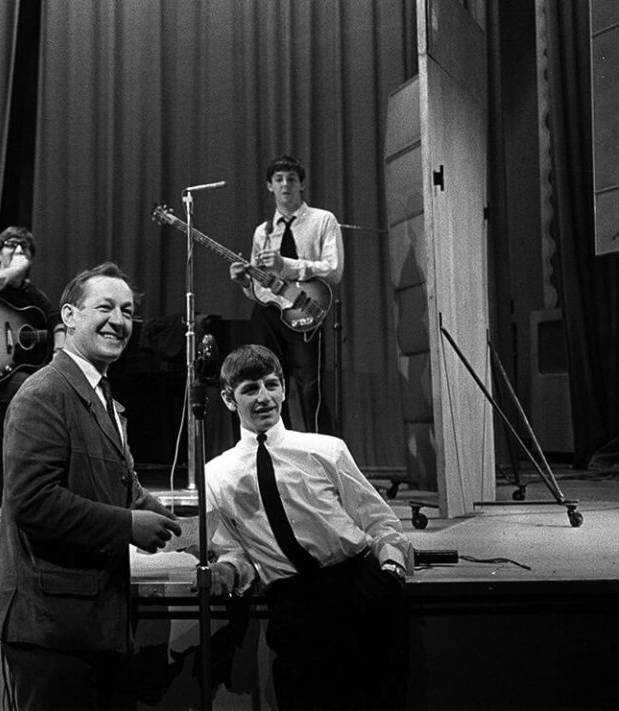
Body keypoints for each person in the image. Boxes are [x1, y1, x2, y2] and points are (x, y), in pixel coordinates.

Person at [0, 262, 182, 710]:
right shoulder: (44, 393)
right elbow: (34, 503)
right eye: (106, 307)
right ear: (70, 317)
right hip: (53, 634)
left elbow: (123, 488)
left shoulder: (103, 397)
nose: (119, 321)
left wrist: (189, 532)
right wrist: (128, 526)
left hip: (94, 628)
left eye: (128, 311)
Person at [205, 344, 412, 711]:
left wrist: (391, 572)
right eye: (250, 389)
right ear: (228, 398)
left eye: (272, 385)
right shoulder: (217, 474)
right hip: (294, 604)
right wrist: (227, 569)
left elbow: (378, 520)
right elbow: (233, 547)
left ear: (284, 389)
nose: (265, 397)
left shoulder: (326, 450)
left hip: (358, 589)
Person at [230, 154, 343, 435]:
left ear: (301, 184)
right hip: (270, 313)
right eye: (278, 180)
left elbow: (333, 269)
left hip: (305, 309)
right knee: (267, 383)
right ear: (270, 186)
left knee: (309, 386)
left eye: (291, 179)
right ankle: (279, 451)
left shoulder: (323, 220)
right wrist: (246, 282)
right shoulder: (263, 232)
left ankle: (322, 453)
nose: (285, 185)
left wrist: (287, 266)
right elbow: (261, 289)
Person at [0, 226, 65, 402]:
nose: (19, 250)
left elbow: (57, 320)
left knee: (56, 387)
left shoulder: (32, 294)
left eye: (24, 246)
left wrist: (59, 352)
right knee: (45, 392)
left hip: (22, 374)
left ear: (30, 259)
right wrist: (14, 270)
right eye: (11, 245)